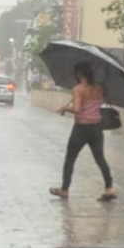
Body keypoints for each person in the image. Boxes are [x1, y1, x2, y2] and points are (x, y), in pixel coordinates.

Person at [50, 61, 116, 201]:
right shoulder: (100, 88)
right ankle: (109, 188)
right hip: (97, 128)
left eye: (75, 72)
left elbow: (77, 109)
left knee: (70, 158)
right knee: (100, 158)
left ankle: (64, 189)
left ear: (79, 73)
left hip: (81, 128)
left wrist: (65, 108)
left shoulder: (78, 89)